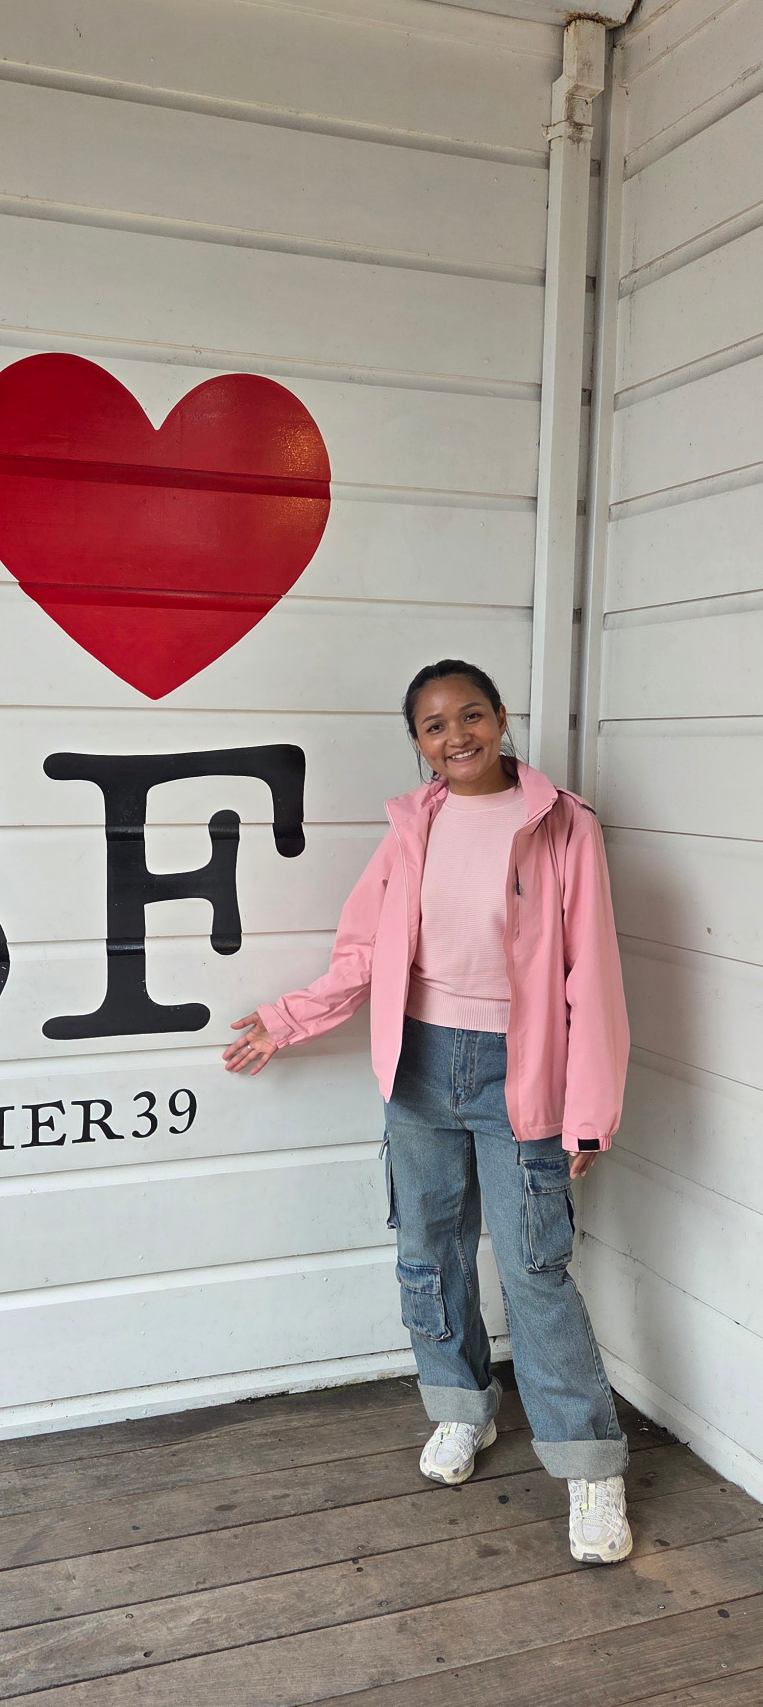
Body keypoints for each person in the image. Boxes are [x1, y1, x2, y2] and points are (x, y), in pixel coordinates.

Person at [224, 659, 632, 1565]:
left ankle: (588, 1465)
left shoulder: (563, 824)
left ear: (501, 718)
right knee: (428, 1249)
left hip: (520, 1073)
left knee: (534, 1268)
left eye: (471, 716)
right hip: (417, 1064)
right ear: (418, 742)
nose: (457, 737)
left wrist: (590, 1110)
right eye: (435, 726)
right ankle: (459, 1407)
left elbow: (593, 974)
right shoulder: (414, 826)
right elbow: (366, 952)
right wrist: (288, 1020)